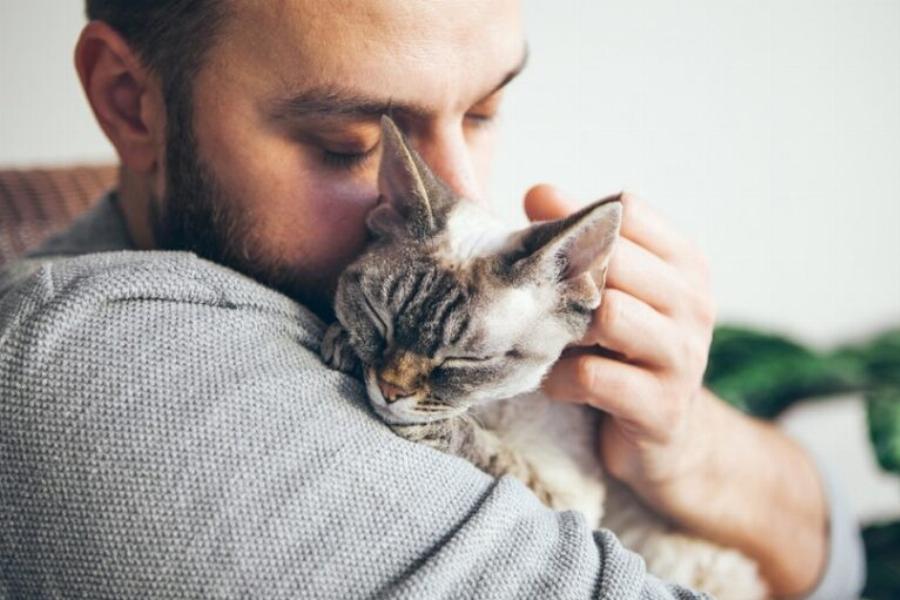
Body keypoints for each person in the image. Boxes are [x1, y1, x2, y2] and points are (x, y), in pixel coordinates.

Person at [0, 1, 864, 598]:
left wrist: (685, 446)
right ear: (129, 101)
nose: (457, 194)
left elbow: (838, 564)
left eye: (485, 111)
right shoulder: (105, 370)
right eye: (351, 144)